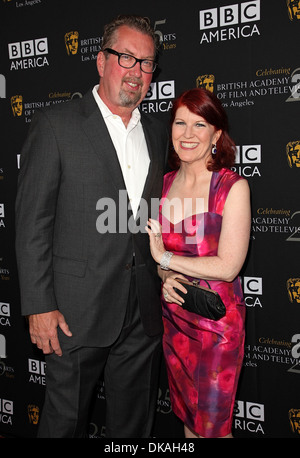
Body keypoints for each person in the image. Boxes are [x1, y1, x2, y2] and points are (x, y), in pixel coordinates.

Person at [15, 15, 169, 438]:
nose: (137, 71)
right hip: (73, 313)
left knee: (134, 427)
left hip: (142, 312)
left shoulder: (158, 133)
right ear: (101, 62)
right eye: (126, 58)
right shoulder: (56, 126)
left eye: (147, 63)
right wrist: (38, 306)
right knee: (64, 425)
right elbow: (32, 225)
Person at [146, 88, 251, 438]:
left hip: (216, 326)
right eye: (180, 123)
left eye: (200, 124)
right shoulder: (161, 186)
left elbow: (228, 267)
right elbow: (157, 254)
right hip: (175, 321)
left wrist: (165, 258)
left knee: (213, 430)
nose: (187, 134)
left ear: (216, 135)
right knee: (191, 422)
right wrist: (165, 275)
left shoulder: (231, 187)